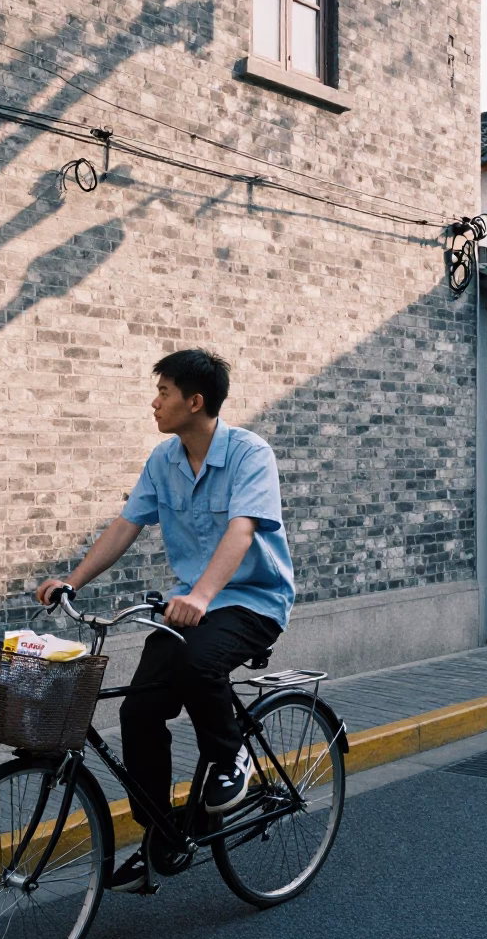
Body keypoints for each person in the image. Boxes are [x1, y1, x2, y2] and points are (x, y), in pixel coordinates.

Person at [37, 348, 295, 893]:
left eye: (163, 392)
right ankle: (162, 835)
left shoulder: (250, 454)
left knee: (199, 663)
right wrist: (72, 581)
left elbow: (242, 531)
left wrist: (202, 595)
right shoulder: (164, 460)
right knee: (139, 711)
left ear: (194, 401)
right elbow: (125, 525)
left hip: (253, 601)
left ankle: (231, 757)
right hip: (188, 604)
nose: (154, 403)